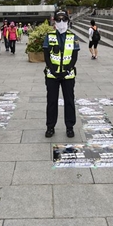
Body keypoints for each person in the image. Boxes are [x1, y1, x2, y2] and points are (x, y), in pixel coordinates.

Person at [43, 10, 79, 138]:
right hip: (52, 75)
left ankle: (70, 127)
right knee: (51, 101)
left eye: (64, 20)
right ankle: (50, 127)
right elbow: (46, 55)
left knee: (69, 101)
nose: (61, 23)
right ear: (54, 22)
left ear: (68, 21)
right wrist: (52, 69)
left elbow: (74, 56)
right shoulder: (49, 36)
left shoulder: (73, 37)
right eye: (58, 20)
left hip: (68, 75)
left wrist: (68, 69)